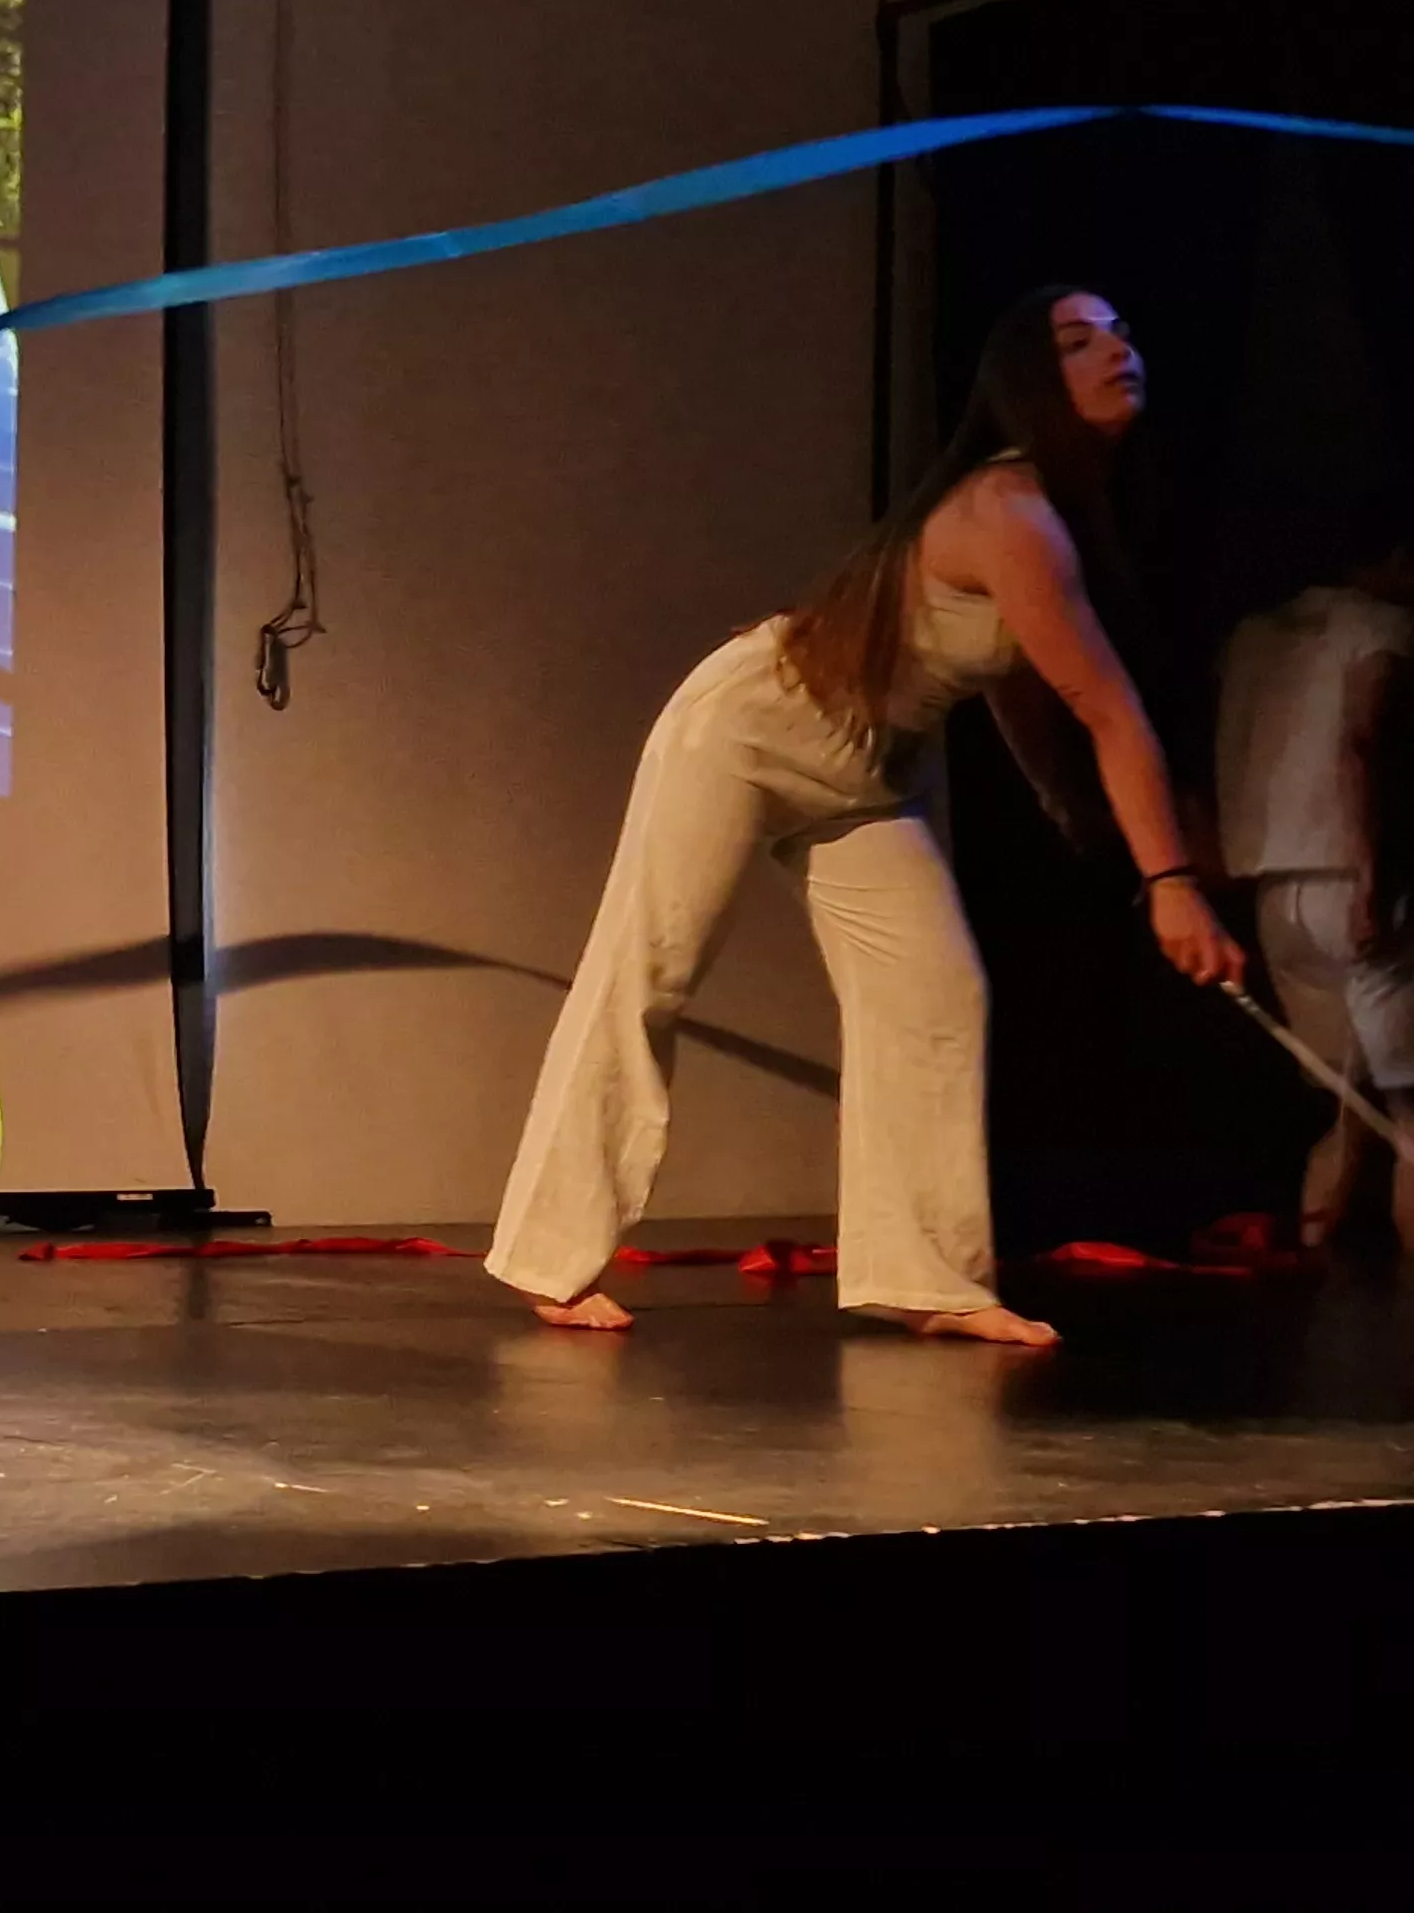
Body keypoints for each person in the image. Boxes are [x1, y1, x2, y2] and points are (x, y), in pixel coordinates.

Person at [488, 287, 1247, 1342]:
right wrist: (1170, 884)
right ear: (1031, 382)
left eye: (1123, 330)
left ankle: (923, 1273)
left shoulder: (1055, 514)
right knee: (647, 968)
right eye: (1077, 342)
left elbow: (1016, 677)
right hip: (752, 727)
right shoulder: (1009, 510)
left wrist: (1061, 801)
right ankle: (549, 1255)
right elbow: (1106, 706)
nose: (1116, 350)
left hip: (868, 771)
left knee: (936, 990)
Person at [1218, 534, 1414, 1247]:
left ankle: (1324, 1272)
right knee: (1406, 1112)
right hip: (1351, 876)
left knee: (1344, 1104)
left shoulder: (1257, 637)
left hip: (1276, 889)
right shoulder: (1378, 626)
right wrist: (1372, 878)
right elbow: (1361, 744)